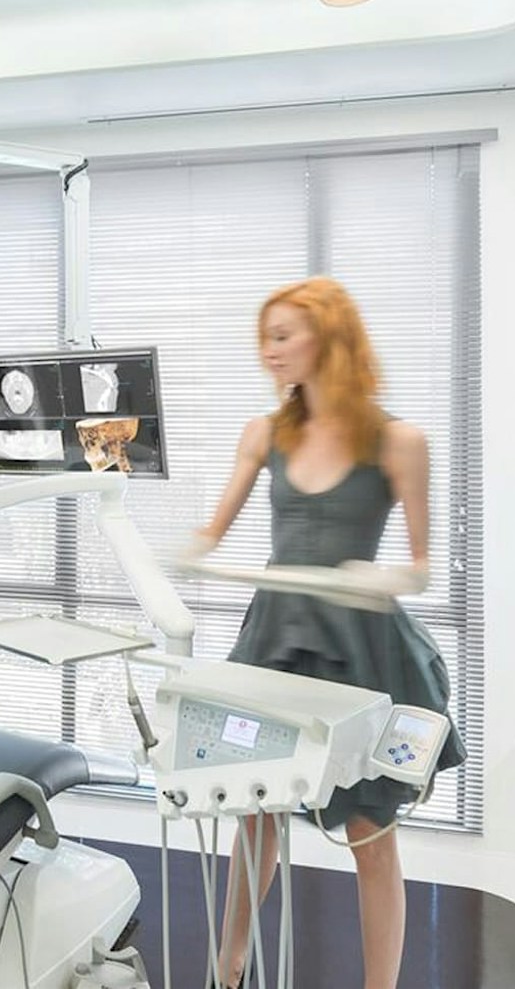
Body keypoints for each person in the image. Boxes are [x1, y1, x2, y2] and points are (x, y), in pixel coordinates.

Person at [183, 276, 465, 989]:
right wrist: (177, 552)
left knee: (370, 834)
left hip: (361, 651)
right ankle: (229, 966)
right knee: (256, 815)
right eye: (265, 338)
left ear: (329, 338)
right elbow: (210, 534)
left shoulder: (399, 442)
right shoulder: (264, 434)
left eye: (283, 335)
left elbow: (422, 567)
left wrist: (385, 576)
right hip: (276, 644)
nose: (269, 351)